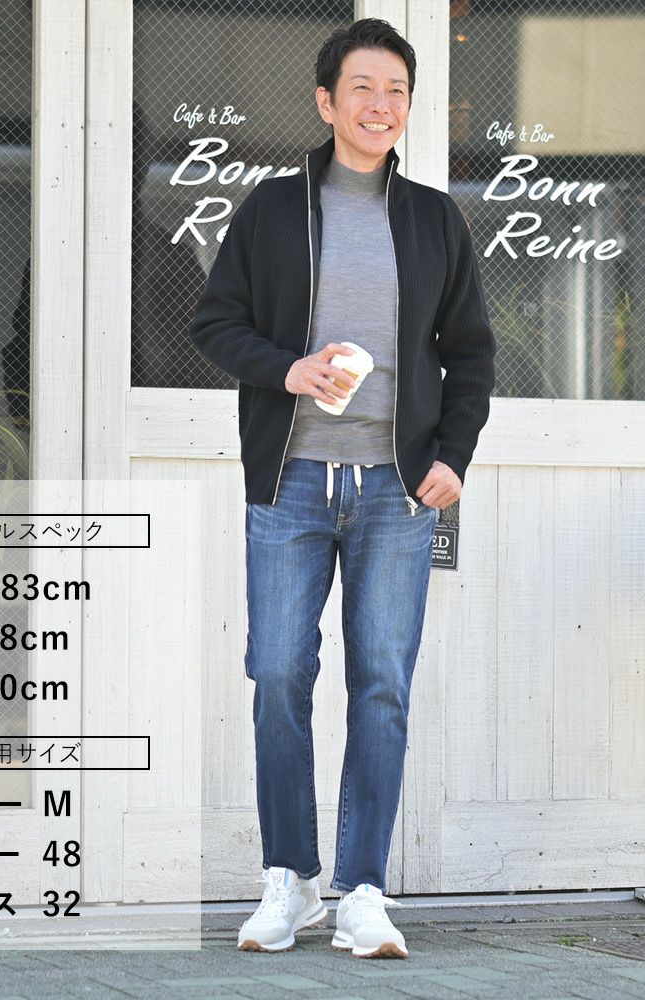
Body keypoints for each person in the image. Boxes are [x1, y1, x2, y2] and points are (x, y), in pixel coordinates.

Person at [189, 18, 495, 958]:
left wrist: (452, 456)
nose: (380, 105)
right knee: (278, 673)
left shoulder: (435, 219)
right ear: (326, 102)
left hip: (397, 491)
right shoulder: (273, 210)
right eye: (362, 87)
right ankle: (290, 880)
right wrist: (288, 369)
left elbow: (472, 355)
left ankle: (363, 890)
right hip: (290, 482)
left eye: (396, 90)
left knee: (382, 685)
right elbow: (214, 323)